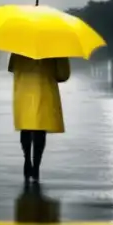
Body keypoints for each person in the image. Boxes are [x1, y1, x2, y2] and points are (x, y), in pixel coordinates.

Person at [8, 53, 71, 181]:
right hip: (44, 90)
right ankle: (36, 166)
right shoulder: (56, 48)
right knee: (40, 130)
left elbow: (11, 68)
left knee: (26, 127)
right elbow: (63, 75)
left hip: (24, 91)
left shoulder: (20, 45)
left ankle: (26, 159)